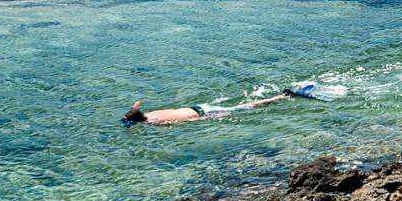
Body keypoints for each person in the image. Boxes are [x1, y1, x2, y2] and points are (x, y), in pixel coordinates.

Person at [121, 83, 317, 127]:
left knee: (249, 106)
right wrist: (129, 116)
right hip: (198, 106)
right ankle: (279, 96)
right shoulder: (150, 112)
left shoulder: (153, 121)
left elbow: (178, 124)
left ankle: (282, 97)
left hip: (201, 113)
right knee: (244, 103)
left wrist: (207, 120)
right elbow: (136, 107)